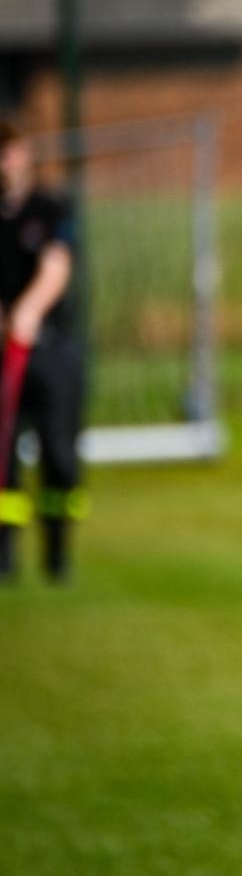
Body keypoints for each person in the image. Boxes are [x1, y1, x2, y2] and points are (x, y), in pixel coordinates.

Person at [0, 120, 84, 583]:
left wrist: (27, 312)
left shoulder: (50, 207)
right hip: (4, 350)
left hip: (49, 348)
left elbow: (56, 267)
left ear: (23, 153)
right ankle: (5, 557)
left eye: (6, 150)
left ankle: (57, 552)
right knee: (2, 457)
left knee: (59, 454)